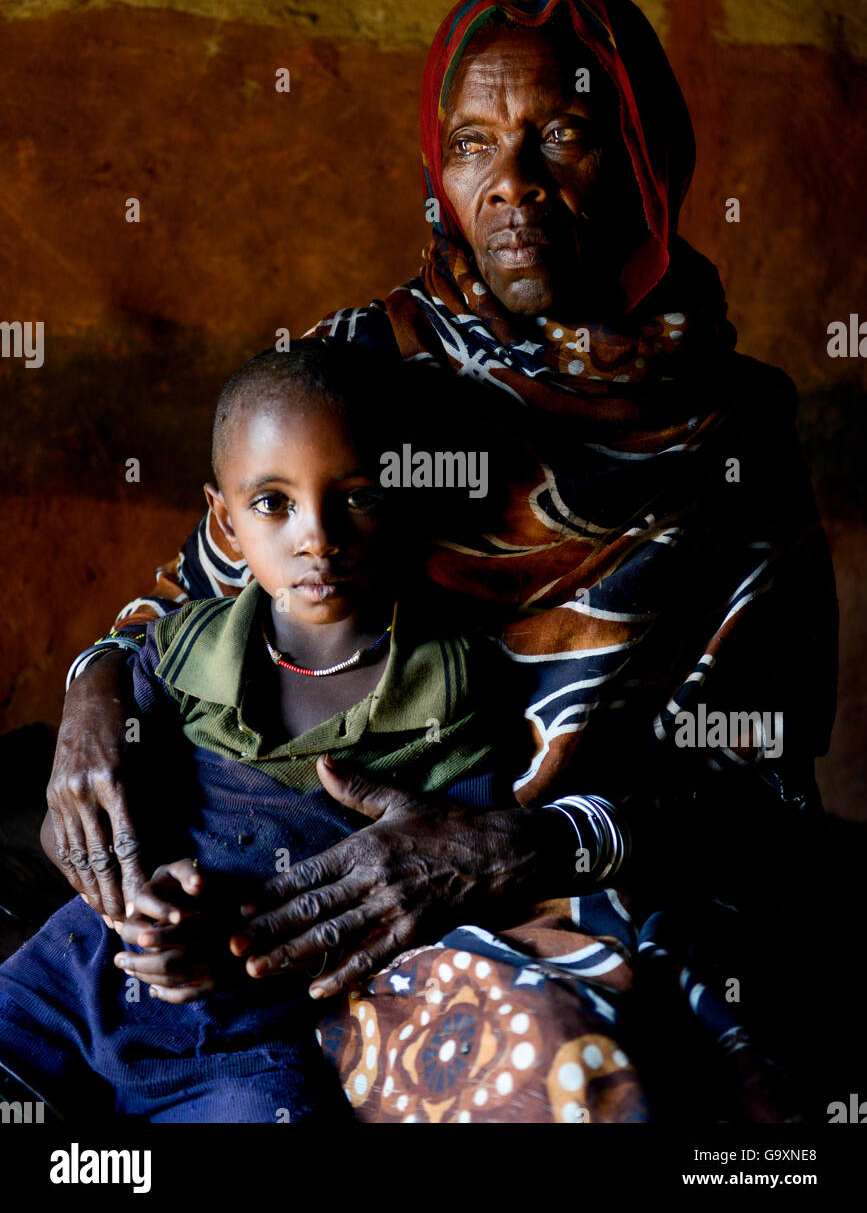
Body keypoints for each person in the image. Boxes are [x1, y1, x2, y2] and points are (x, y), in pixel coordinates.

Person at [43, 0, 837, 1123]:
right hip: (310, 878)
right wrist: (91, 698)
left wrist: (528, 844)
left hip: (577, 873)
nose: (511, 183)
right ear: (437, 170)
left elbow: (753, 776)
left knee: (643, 1077)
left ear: (646, 156)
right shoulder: (362, 367)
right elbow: (184, 610)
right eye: (471, 142)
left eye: (562, 134)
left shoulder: (734, 435)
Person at [0, 339, 560, 1120]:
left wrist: (235, 938)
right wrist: (136, 902)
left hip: (243, 1044)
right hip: (67, 980)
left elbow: (443, 867)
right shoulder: (180, 651)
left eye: (358, 496)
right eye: (273, 504)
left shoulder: (447, 685)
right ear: (224, 524)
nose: (318, 536)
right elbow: (90, 817)